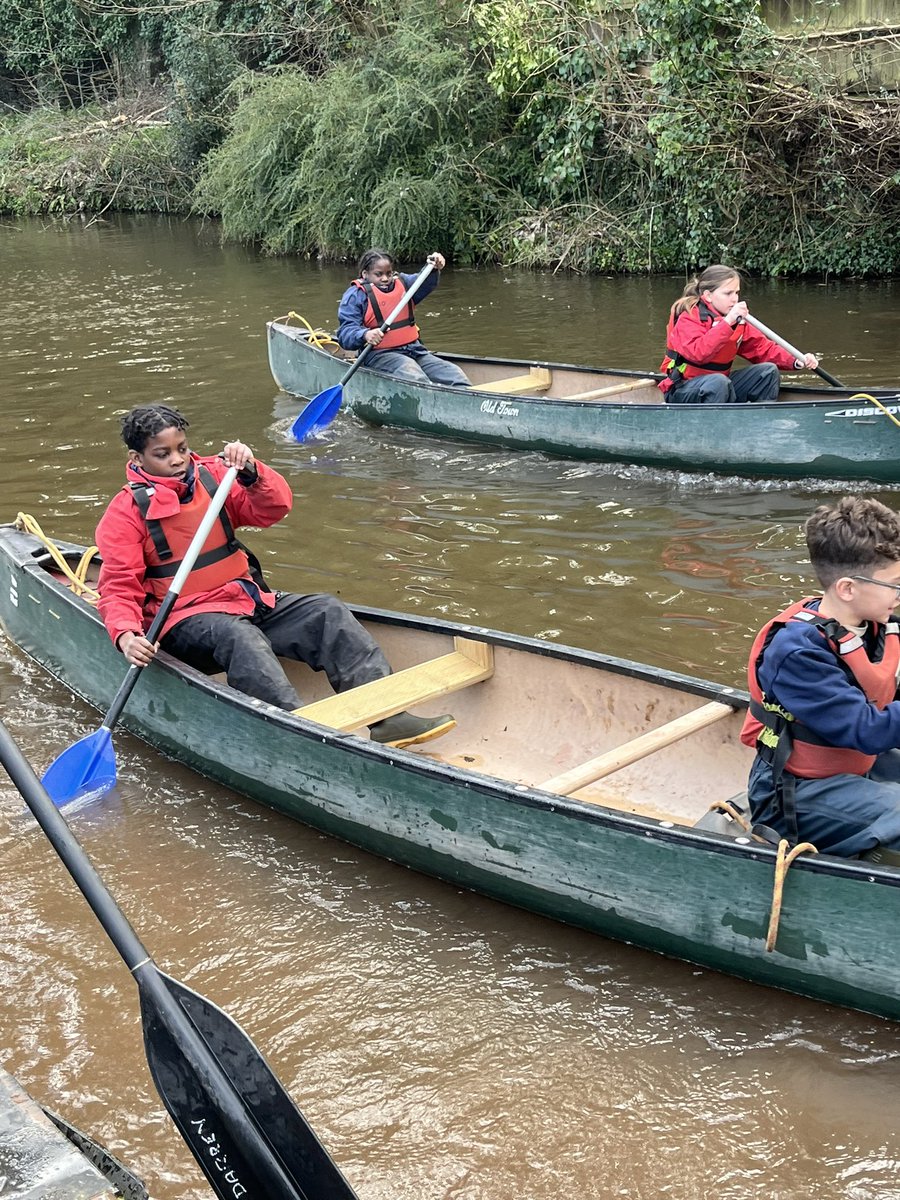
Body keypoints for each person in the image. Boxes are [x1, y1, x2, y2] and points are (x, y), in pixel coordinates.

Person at [94, 404, 456, 750]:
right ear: (137, 459)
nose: (177, 460)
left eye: (182, 448)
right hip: (183, 621)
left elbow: (273, 509)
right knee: (239, 636)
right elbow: (117, 589)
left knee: (325, 610)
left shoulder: (215, 476)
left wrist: (252, 472)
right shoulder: (125, 513)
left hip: (246, 599)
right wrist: (126, 635)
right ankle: (295, 734)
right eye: (162, 453)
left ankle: (388, 718)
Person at [741, 496, 900, 857]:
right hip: (794, 795)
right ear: (847, 588)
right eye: (895, 584)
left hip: (857, 767)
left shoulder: (875, 624)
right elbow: (867, 731)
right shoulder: (798, 652)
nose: (899, 595)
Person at [658, 264, 819, 404]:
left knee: (767, 372)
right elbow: (699, 353)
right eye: (728, 294)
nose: (734, 299)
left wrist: (796, 360)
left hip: (718, 386)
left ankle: (761, 423)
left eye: (736, 293)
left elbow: (762, 348)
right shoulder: (689, 317)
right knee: (718, 383)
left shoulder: (737, 321)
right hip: (682, 389)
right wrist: (727, 322)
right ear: (708, 296)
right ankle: (716, 430)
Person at [336, 249, 470, 388]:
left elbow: (424, 281)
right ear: (365, 274)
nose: (385, 279)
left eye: (388, 273)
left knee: (454, 374)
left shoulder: (404, 283)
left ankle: (468, 400)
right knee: (414, 375)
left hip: (414, 350)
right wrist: (365, 334)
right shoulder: (356, 295)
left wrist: (433, 268)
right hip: (380, 354)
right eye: (378, 274)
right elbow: (345, 333)